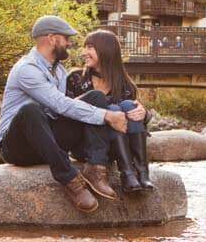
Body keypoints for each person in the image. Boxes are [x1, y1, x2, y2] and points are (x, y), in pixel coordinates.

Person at [0, 15, 129, 214]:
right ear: (51, 39)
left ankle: (95, 167)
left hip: (46, 139)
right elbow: (59, 105)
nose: (69, 43)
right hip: (16, 146)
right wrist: (107, 116)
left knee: (95, 97)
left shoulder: (59, 71)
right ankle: (70, 180)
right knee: (31, 110)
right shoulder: (26, 69)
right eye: (66, 38)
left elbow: (63, 111)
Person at [66, 29, 154, 193]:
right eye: (85, 47)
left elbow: (135, 119)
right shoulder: (76, 79)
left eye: (90, 47)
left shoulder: (125, 86)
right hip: (87, 145)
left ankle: (140, 173)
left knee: (130, 105)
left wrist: (144, 113)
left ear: (106, 50)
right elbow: (65, 112)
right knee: (113, 109)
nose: (84, 52)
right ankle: (127, 173)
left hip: (117, 148)